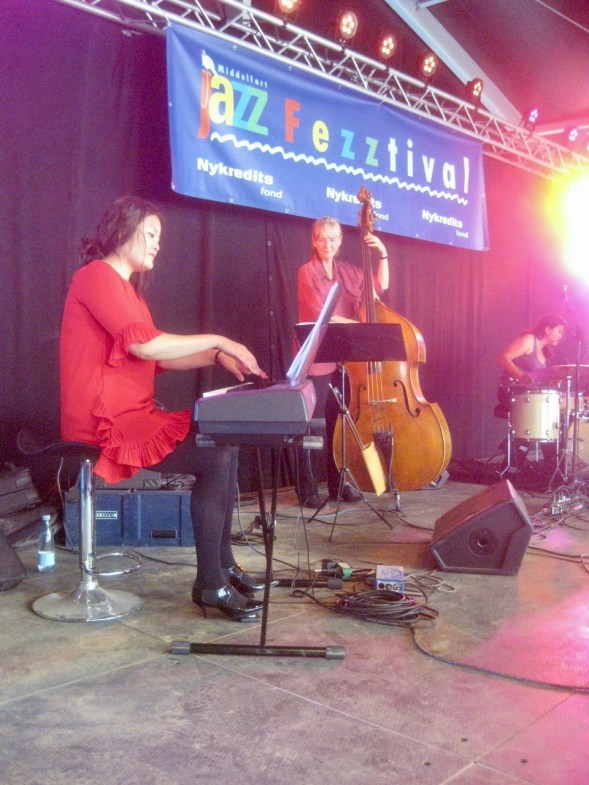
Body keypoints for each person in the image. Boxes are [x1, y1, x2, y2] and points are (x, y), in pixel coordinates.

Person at [60, 196, 268, 621]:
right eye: (151, 234)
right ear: (122, 231)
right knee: (213, 455)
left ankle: (223, 568)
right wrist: (219, 340)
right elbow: (144, 346)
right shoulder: (96, 275)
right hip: (103, 420)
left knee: (223, 444)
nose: (157, 244)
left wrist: (217, 356)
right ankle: (209, 583)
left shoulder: (129, 293)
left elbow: (158, 358)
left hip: (131, 415)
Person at [296, 216, 390, 507]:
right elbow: (323, 315)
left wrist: (383, 254)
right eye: (322, 238)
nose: (328, 244)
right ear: (314, 241)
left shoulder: (346, 271)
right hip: (316, 357)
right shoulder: (307, 271)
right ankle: (308, 489)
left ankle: (338, 485)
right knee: (313, 424)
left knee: (339, 424)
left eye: (333, 239)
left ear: (340, 242)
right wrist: (362, 328)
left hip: (343, 359)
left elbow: (380, 287)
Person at [496, 314, 566, 471]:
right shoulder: (529, 340)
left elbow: (535, 378)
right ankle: (540, 463)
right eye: (559, 331)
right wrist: (521, 376)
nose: (561, 336)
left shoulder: (543, 352)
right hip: (511, 392)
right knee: (543, 415)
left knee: (550, 416)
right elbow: (503, 357)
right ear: (547, 329)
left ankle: (551, 466)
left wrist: (549, 382)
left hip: (528, 396)